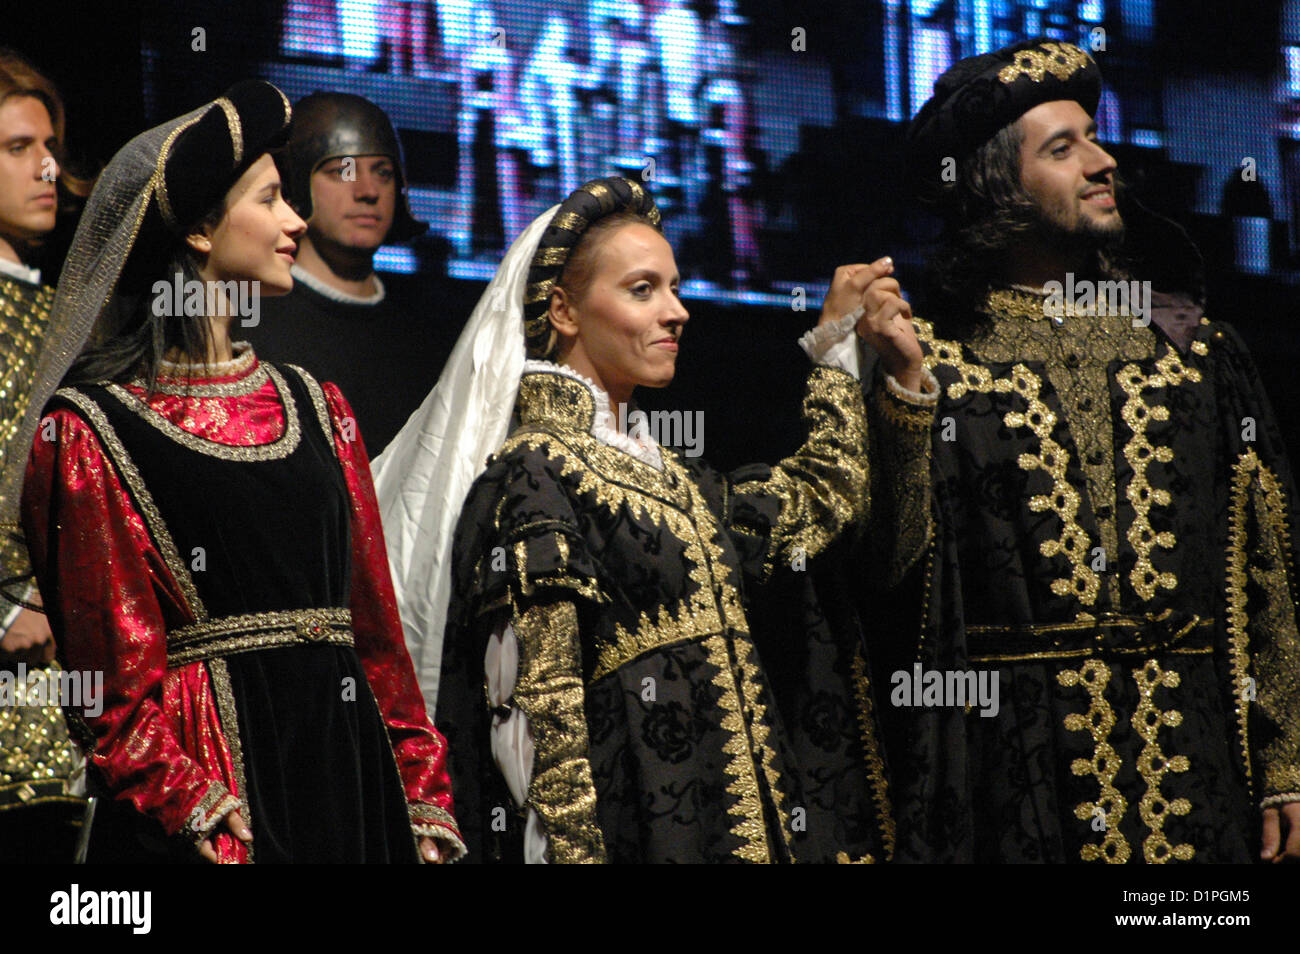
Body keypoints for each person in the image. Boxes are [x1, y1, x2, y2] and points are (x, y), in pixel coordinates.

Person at [373, 176, 937, 862]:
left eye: (673, 287)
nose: (678, 312)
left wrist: (843, 352)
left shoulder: (675, 478)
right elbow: (543, 725)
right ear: (564, 310)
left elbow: (816, 509)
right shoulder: (532, 476)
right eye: (643, 290)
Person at [19, 80, 463, 863]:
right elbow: (111, 693)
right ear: (198, 229)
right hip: (222, 797)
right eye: (270, 199)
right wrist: (200, 811)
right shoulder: (93, 432)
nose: (295, 219)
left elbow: (377, 636)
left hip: (348, 774)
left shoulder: (319, 408)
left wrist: (421, 794)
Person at [878, 38, 1300, 863]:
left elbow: (1270, 565)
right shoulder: (933, 364)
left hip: (1197, 774)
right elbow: (896, 580)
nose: (1104, 163)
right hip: (1024, 782)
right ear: (999, 182)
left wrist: (1285, 758)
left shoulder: (1195, 354)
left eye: (1095, 137)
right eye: (1063, 148)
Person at [0, 47, 90, 861]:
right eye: (16, 149)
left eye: (49, 147)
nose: (48, 167)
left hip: (79, 700)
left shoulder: (65, 311)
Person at [251, 92, 440, 453]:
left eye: (383, 173)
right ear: (296, 186)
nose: (368, 191)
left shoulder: (428, 338)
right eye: (343, 172)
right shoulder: (252, 328)